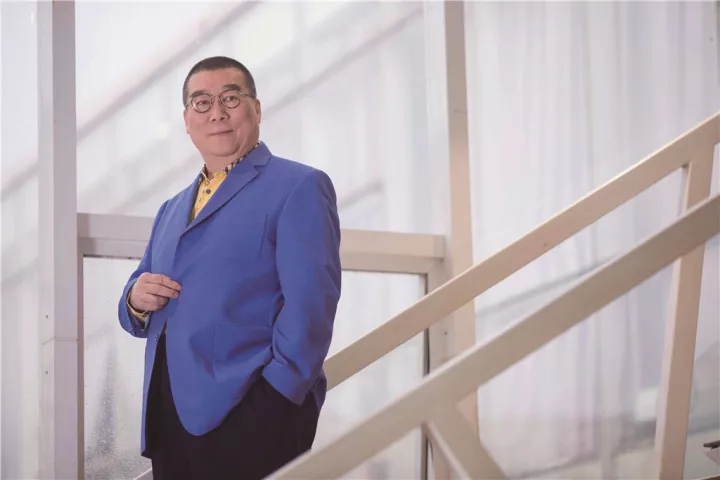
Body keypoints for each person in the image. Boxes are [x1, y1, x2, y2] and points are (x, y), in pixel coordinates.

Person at [117, 56, 342, 480]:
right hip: (169, 420)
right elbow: (136, 302)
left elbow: (312, 306)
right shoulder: (170, 209)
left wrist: (275, 398)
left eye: (231, 98)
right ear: (187, 120)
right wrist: (135, 299)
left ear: (256, 108)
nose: (217, 112)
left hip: (254, 412)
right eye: (202, 102)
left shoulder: (299, 186)